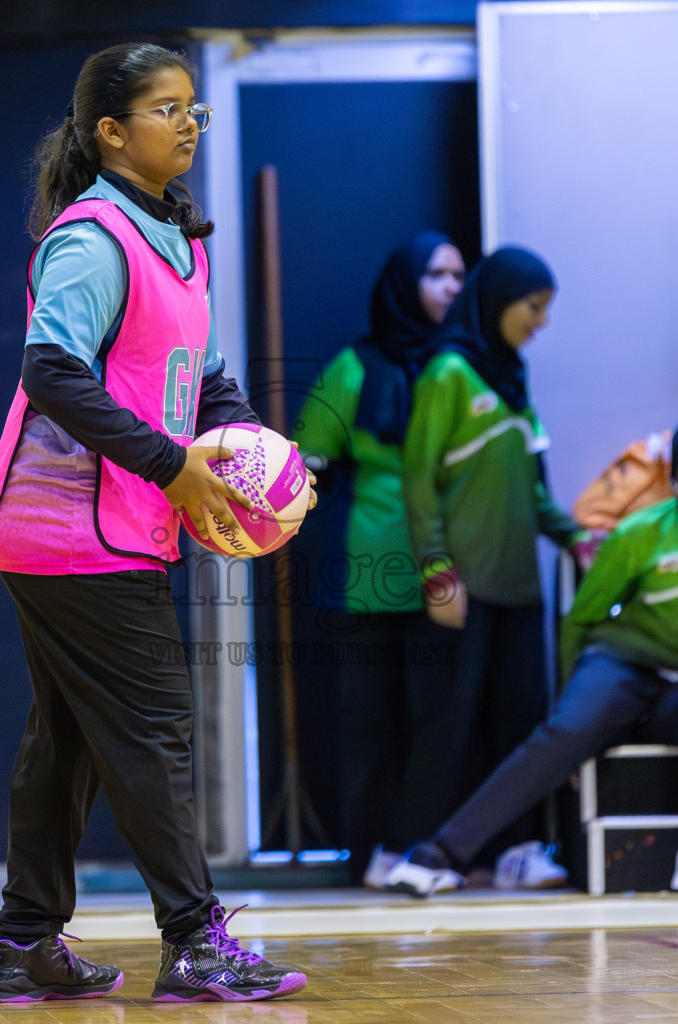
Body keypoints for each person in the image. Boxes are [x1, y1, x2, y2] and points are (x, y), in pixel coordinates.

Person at [0, 43, 308, 1003]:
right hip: (64, 522)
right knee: (154, 729)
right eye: (167, 109)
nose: (189, 122)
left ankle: (24, 945)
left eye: (193, 107)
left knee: (69, 736)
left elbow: (195, 377)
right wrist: (172, 465)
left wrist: (257, 459)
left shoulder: (178, 238)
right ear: (112, 132)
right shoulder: (91, 238)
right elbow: (52, 372)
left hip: (105, 524)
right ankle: (197, 944)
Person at [386, 416, 678, 895]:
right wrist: (574, 703)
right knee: (562, 733)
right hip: (622, 669)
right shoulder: (641, 532)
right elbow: (581, 621)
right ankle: (440, 853)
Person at [396, 247, 592, 890]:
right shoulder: (447, 373)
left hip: (519, 588)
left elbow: (533, 493)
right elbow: (419, 484)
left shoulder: (514, 375)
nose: (540, 321)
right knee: (451, 725)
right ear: (498, 300)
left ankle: (520, 850)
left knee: (522, 723)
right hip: (464, 588)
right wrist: (438, 571)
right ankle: (431, 853)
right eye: (533, 307)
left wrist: (575, 537)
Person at [291, 231, 466, 887]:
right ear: (404, 283)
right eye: (438, 275)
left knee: (439, 717)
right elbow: (309, 456)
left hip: (449, 566)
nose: (453, 287)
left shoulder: (467, 366)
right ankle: (371, 854)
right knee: (366, 722)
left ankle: (427, 850)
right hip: (373, 565)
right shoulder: (354, 366)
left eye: (459, 276)